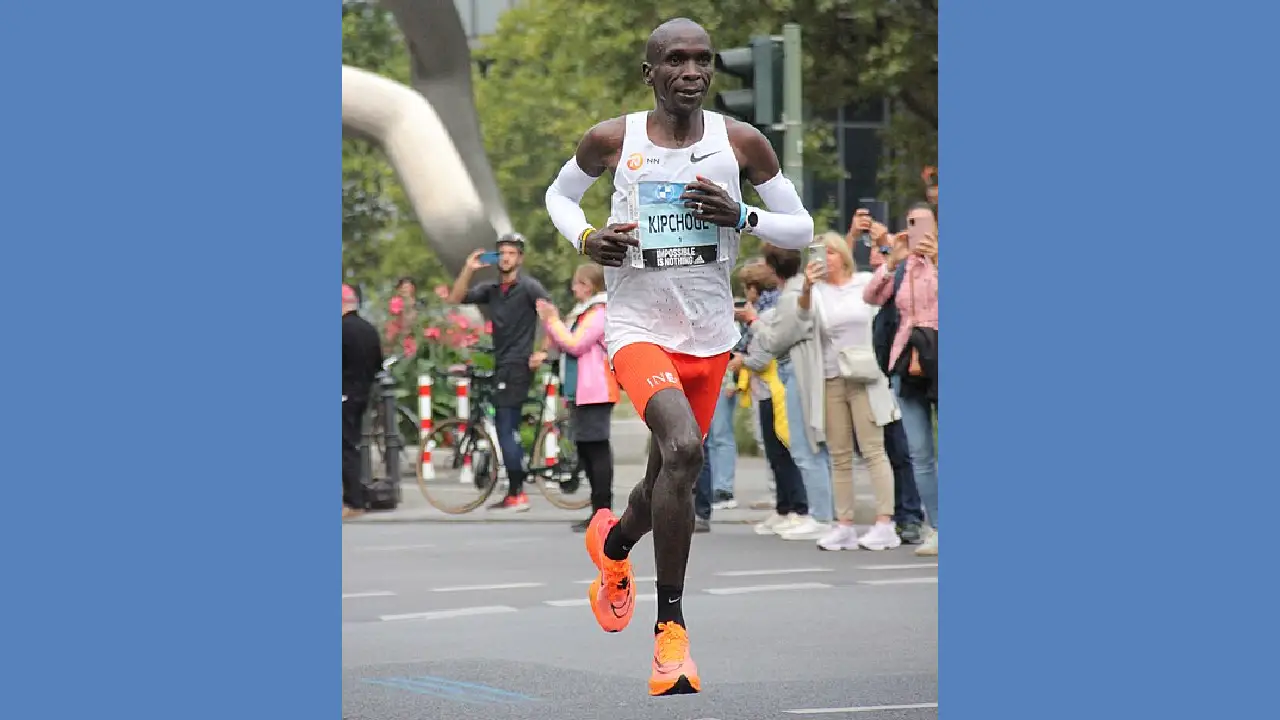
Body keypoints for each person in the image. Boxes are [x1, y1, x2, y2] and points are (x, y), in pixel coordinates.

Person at [543, 17, 814, 697]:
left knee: (668, 477)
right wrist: (585, 238)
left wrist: (742, 217)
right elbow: (559, 195)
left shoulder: (741, 143)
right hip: (638, 326)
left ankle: (611, 548)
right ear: (651, 72)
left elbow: (802, 229)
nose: (691, 72)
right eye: (676, 61)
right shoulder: (613, 139)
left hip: (709, 334)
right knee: (686, 450)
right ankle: (672, 635)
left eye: (703, 61)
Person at [802, 232, 902, 550]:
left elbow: (881, 307)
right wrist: (806, 286)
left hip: (864, 375)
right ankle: (844, 525)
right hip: (831, 377)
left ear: (843, 254)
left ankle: (885, 522)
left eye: (830, 252)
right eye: (820, 253)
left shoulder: (862, 282)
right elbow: (803, 316)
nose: (825, 258)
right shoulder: (816, 291)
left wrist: (887, 257)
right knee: (839, 454)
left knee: (873, 450)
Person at [446, 232, 552, 513]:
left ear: (520, 258)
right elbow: (455, 299)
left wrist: (542, 351)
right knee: (507, 425)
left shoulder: (529, 288)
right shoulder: (491, 290)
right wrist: (469, 269)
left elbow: (552, 316)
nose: (506, 257)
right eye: (502, 252)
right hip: (501, 364)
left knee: (506, 427)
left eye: (512, 253)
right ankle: (515, 487)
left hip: (517, 365)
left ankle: (517, 493)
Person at [864, 203, 939, 556]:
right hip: (908, 361)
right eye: (911, 225)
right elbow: (872, 297)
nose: (917, 232)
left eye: (923, 224)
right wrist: (892, 261)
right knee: (919, 452)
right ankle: (937, 527)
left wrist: (938, 261)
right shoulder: (903, 265)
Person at [748, 245, 833, 541]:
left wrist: (754, 323)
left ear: (773, 268)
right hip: (798, 368)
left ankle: (821, 515)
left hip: (796, 368)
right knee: (808, 445)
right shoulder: (800, 290)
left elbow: (777, 340)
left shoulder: (791, 296)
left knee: (805, 445)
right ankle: (819, 512)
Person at [536, 263, 619, 533]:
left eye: (577, 283)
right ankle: (598, 512)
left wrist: (552, 320)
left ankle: (603, 512)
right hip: (582, 390)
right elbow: (565, 342)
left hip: (595, 389)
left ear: (589, 285)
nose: (573, 289)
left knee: (596, 449)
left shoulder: (599, 312)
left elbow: (575, 344)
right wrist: (551, 323)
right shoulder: (586, 312)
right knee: (586, 447)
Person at [733, 262, 810, 537]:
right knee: (775, 453)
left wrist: (744, 361)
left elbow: (765, 353)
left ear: (754, 289)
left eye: (746, 288)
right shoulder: (763, 311)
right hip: (765, 389)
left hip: (774, 387)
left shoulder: (766, 314)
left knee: (784, 451)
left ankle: (799, 507)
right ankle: (783, 507)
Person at [342, 284, 383, 520]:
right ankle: (356, 496)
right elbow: (378, 363)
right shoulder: (369, 329)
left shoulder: (342, 330)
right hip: (363, 394)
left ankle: (353, 501)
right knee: (353, 444)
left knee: (345, 448)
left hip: (344, 393)